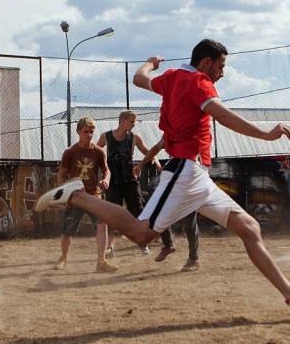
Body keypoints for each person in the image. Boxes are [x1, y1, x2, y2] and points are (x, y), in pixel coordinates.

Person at [36, 39, 290, 312]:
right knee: (140, 233)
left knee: (249, 228)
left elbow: (138, 78)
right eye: (221, 66)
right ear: (206, 63)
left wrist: (150, 64)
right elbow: (224, 116)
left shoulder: (171, 77)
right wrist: (267, 134)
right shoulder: (198, 82)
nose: (223, 73)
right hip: (185, 170)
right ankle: (78, 195)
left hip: (198, 175)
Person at [97, 110, 162, 258]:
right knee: (112, 214)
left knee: (138, 211)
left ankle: (143, 244)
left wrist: (157, 163)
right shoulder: (106, 137)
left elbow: (148, 151)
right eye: (132, 121)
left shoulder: (134, 138)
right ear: (123, 120)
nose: (134, 124)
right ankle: (110, 246)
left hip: (130, 181)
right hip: (113, 182)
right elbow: (96, 151)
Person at [56, 116, 115, 273]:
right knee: (67, 230)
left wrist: (106, 180)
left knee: (102, 225)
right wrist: (64, 194)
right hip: (76, 197)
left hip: (94, 195)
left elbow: (106, 170)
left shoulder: (99, 152)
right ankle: (64, 258)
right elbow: (61, 175)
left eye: (91, 131)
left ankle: (101, 261)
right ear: (78, 132)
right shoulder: (70, 152)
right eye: (86, 131)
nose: (89, 134)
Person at [134, 137, 201, 271]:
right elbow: (155, 148)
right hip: (175, 177)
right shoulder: (170, 133)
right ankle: (169, 245)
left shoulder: (191, 133)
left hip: (190, 179)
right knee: (159, 212)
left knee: (189, 222)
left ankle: (194, 258)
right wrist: (141, 165)